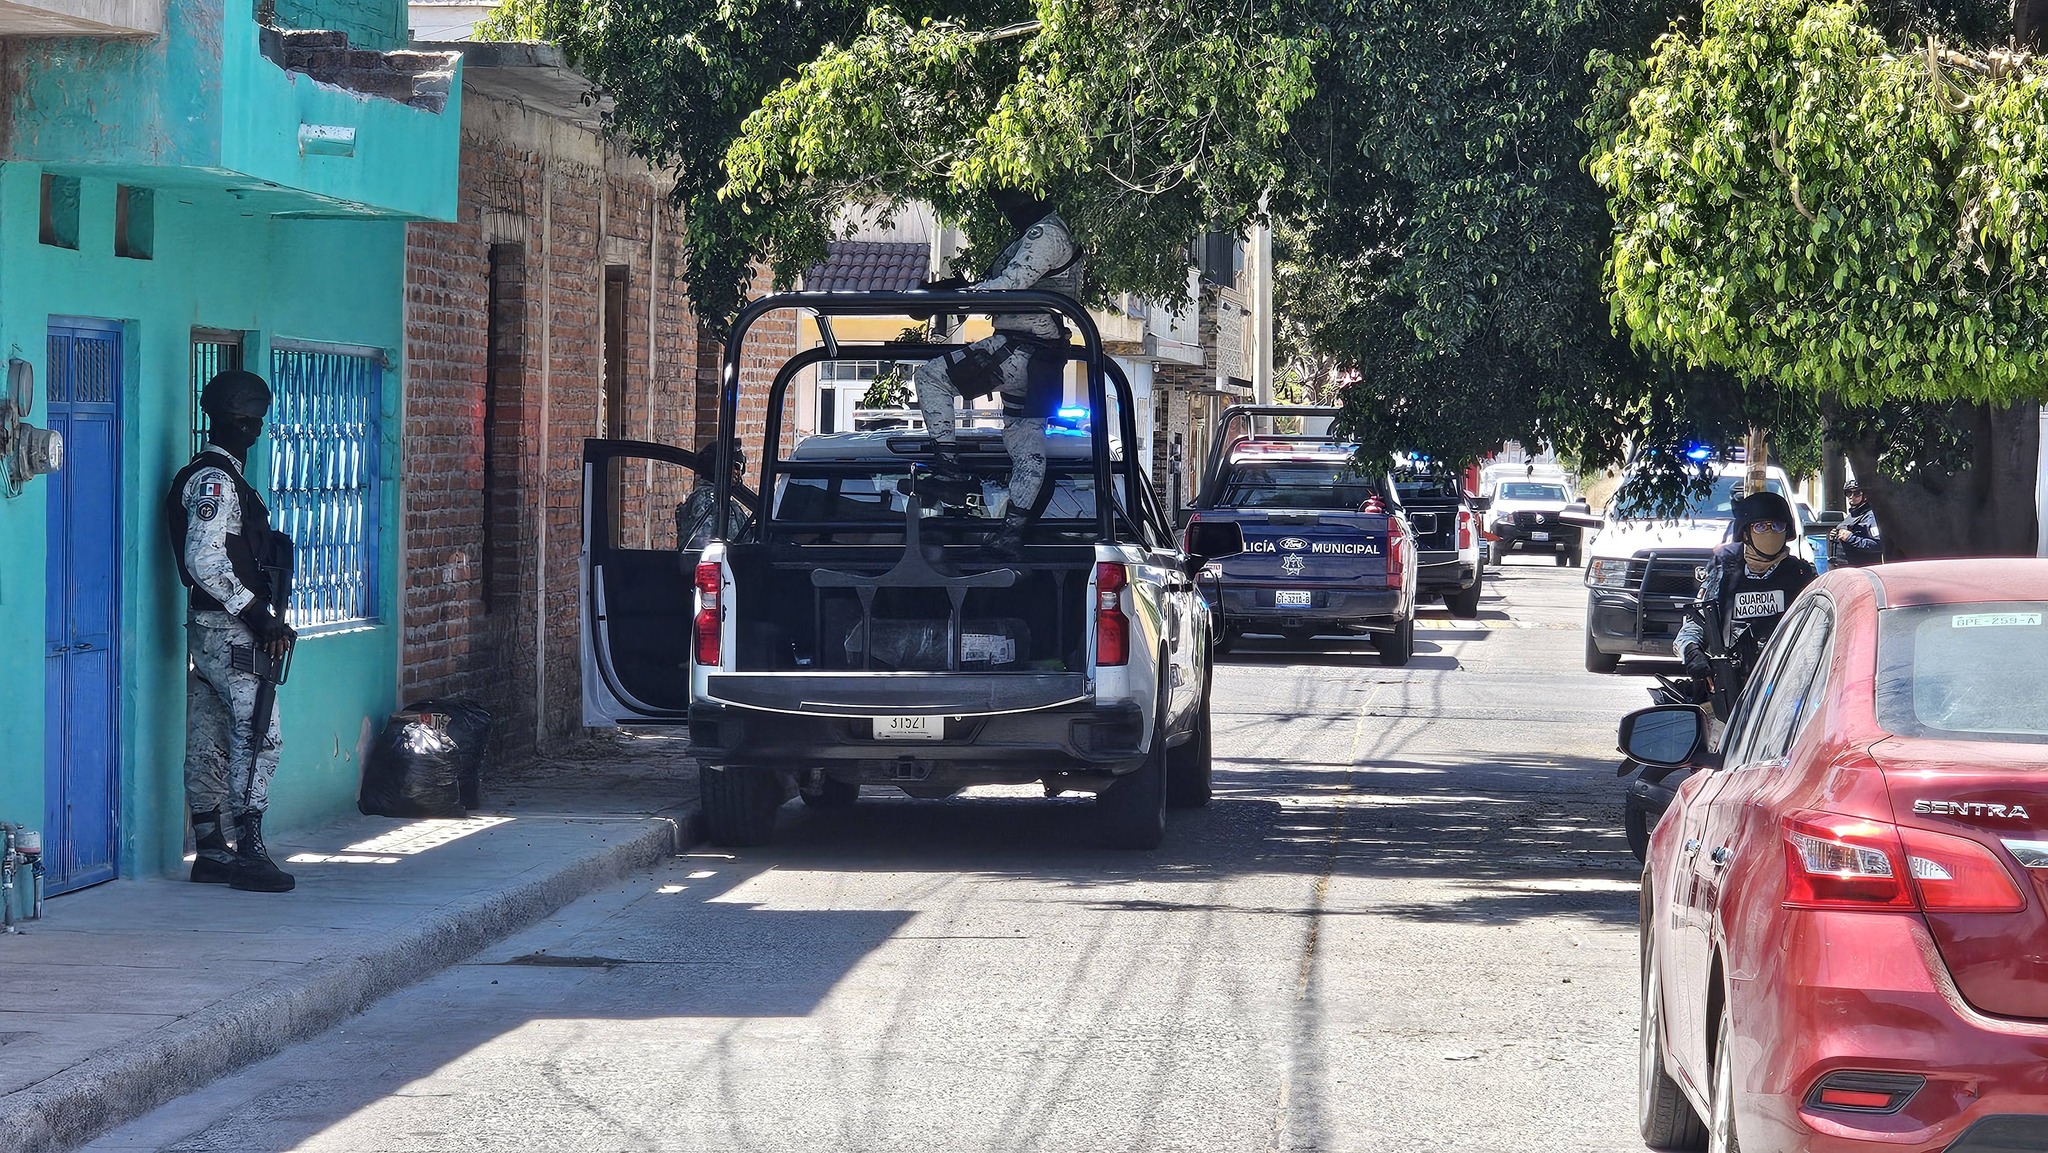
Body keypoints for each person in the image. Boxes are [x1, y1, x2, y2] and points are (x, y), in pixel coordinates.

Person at [168, 370, 296, 893]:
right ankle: (248, 851)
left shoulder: (211, 475)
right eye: (255, 419)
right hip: (230, 629)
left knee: (212, 734)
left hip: (215, 627)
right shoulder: (216, 481)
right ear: (241, 420)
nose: (258, 429)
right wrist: (258, 616)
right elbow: (205, 559)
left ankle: (212, 849)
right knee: (261, 734)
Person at [910, 187, 1082, 557]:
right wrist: (952, 290)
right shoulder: (1049, 232)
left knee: (931, 378)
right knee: (1025, 440)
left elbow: (1011, 283)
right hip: (1041, 358)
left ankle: (948, 469)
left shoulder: (1046, 233)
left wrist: (954, 298)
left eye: (1013, 205)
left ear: (1036, 198)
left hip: (1017, 349)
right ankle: (1012, 530)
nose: (1010, 215)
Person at [1675, 491, 1818, 716]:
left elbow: (1821, 634)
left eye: (1777, 526)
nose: (1770, 532)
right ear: (1746, 532)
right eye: (1761, 526)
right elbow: (1691, 629)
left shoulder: (1802, 576)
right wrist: (1693, 653)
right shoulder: (1723, 576)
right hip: (1732, 696)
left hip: (1789, 694)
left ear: (1787, 530)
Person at [678, 439, 750, 550]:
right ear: (718, 467)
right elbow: (705, 546)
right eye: (735, 466)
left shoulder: (720, 498)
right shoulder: (708, 499)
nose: (738, 472)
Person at [1832, 479, 1883, 567]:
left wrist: (1851, 538)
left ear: (1865, 496)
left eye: (1856, 493)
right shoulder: (1851, 515)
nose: (1852, 496)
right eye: (1848, 493)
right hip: (1843, 569)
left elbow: (1878, 545)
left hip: (1862, 571)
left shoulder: (1870, 517)